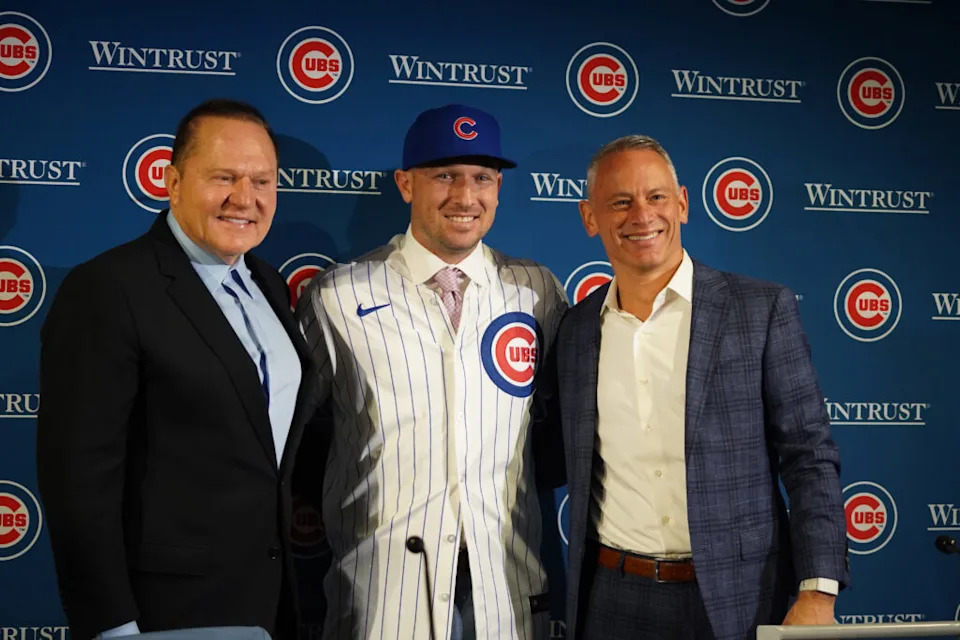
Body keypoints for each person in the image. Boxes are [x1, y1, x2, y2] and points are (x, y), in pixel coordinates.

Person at [37, 99, 318, 640]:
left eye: (262, 181)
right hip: (163, 612)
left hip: (271, 600)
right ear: (171, 180)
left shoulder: (267, 281)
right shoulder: (109, 289)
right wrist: (111, 626)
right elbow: (78, 481)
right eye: (223, 177)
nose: (245, 198)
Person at [554, 135, 848, 640]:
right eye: (620, 202)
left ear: (684, 203)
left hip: (740, 599)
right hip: (610, 600)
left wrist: (818, 591)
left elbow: (809, 456)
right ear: (589, 217)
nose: (641, 215)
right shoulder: (576, 330)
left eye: (656, 197)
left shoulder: (760, 310)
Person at [296, 104, 567, 640]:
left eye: (482, 178)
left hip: (504, 586)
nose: (465, 197)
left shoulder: (537, 290)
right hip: (380, 589)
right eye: (444, 175)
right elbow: (295, 441)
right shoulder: (338, 295)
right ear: (404, 184)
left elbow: (562, 427)